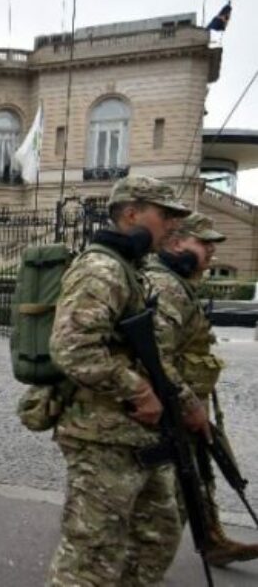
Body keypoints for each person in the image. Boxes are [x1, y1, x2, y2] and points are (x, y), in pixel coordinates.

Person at [46, 176, 209, 585]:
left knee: (156, 537)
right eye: (165, 214)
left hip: (138, 435)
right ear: (132, 213)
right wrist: (137, 390)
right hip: (102, 435)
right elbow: (72, 348)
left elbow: (152, 355)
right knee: (89, 560)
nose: (172, 225)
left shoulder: (131, 269)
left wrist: (184, 400)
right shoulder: (101, 268)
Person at [145, 211, 258, 566]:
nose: (211, 251)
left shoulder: (181, 283)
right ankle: (142, 565)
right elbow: (156, 356)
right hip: (172, 405)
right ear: (177, 243)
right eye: (203, 242)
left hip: (188, 399)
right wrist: (187, 401)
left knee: (200, 470)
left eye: (213, 244)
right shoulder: (164, 286)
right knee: (175, 486)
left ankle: (211, 537)